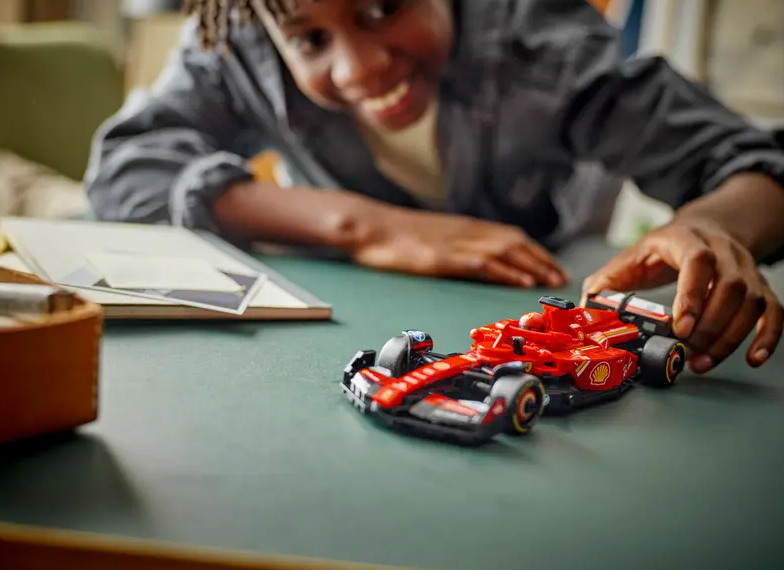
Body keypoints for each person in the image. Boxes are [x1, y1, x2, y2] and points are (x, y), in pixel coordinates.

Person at [84, 0, 784, 375]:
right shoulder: (240, 34)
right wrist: (363, 226)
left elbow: (752, 166)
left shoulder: (538, 35)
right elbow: (124, 167)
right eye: (309, 41)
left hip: (543, 289)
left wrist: (718, 226)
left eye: (384, 6)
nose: (359, 69)